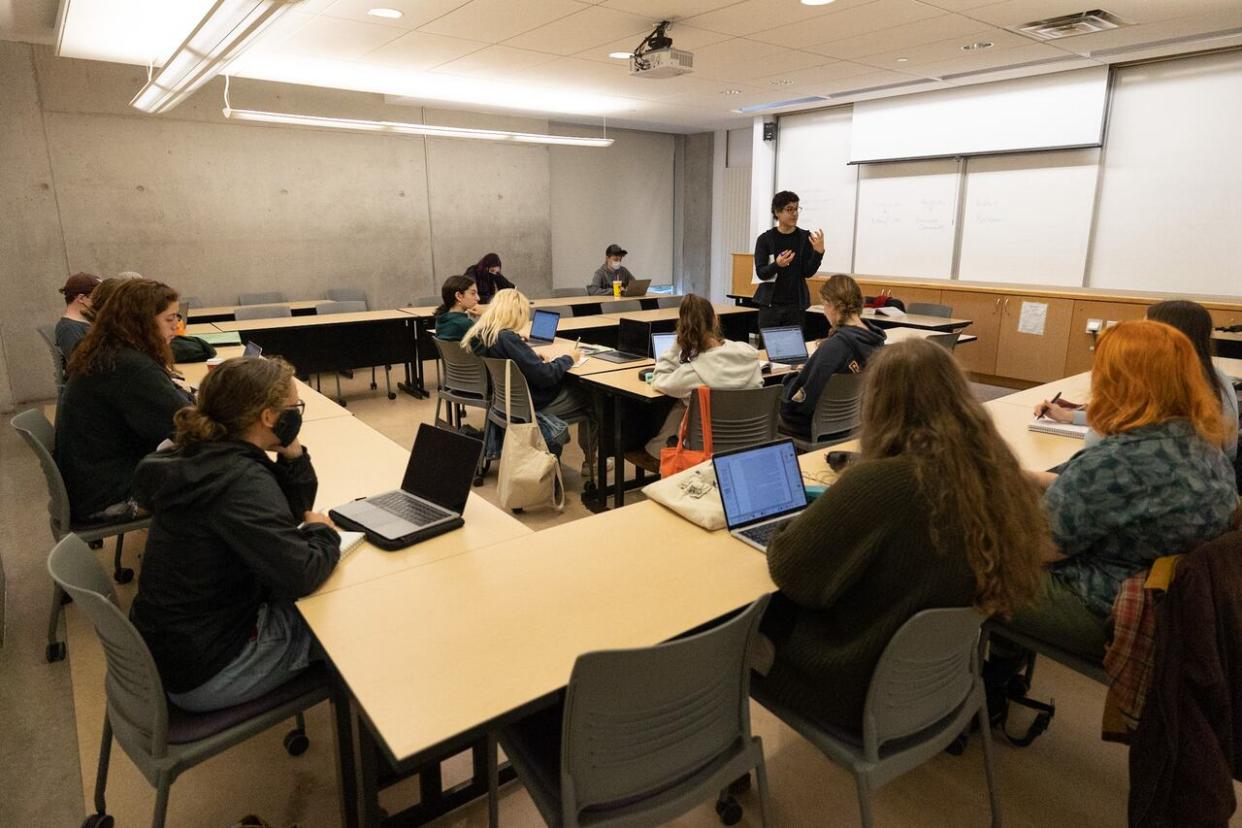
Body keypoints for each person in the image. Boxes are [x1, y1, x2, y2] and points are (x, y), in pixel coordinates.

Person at [754, 338, 1049, 731]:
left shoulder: (880, 482)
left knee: (733, 621)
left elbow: (792, 572)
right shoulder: (993, 472)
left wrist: (796, 520)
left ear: (879, 404)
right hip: (938, 685)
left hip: (849, 685)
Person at [1015, 320, 1237, 660]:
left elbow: (1036, 549)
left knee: (974, 563)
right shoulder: (1204, 446)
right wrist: (1028, 477)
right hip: (1174, 602)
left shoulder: (1113, 462)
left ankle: (985, 677)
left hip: (1105, 608)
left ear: (1119, 383)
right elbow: (1120, 501)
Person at [129, 356, 340, 712]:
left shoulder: (201, 456)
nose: (296, 415)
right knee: (347, 622)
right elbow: (301, 573)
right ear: (269, 417)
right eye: (293, 407)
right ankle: (383, 759)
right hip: (213, 669)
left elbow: (284, 517)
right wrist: (323, 533)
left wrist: (292, 454)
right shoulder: (238, 480)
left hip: (182, 648)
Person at [55, 279, 191, 523]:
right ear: (142, 322)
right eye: (169, 319)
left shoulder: (107, 352)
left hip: (91, 486)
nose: (176, 327)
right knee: (222, 478)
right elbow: (187, 425)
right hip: (110, 498)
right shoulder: (130, 366)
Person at [1033, 300, 1238, 460]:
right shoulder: (1219, 380)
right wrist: (1070, 417)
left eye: (1145, 326)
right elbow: (1134, 418)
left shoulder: (1156, 384)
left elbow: (1101, 445)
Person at [462, 288, 598, 481]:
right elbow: (546, 376)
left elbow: (517, 362)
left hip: (506, 404)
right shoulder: (507, 338)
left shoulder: (484, 334)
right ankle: (591, 462)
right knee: (593, 396)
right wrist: (569, 358)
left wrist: (531, 356)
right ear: (514, 312)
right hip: (534, 403)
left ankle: (590, 460)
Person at [639, 294, 764, 465]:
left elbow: (659, 379)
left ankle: (655, 452)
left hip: (708, 448)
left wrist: (677, 345)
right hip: (751, 440)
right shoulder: (749, 356)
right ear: (715, 320)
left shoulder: (693, 373)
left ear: (682, 330)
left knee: (682, 405)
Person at [779, 274, 886, 439]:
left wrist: (790, 379)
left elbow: (800, 403)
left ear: (831, 305)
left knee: (767, 410)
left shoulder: (834, 347)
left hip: (814, 427)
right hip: (853, 423)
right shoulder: (876, 342)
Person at [753, 190, 825, 333]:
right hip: (770, 305)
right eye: (789, 209)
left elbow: (808, 272)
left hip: (795, 306)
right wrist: (777, 265)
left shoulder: (805, 238)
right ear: (777, 212)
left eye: (796, 209)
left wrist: (818, 253)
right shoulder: (765, 239)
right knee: (769, 349)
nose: (794, 214)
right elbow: (761, 273)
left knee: (793, 350)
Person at [54, 272, 101, 358]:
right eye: (97, 297)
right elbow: (81, 365)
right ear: (81, 298)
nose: (100, 301)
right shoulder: (69, 329)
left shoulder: (88, 321)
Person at [433, 274, 481, 342]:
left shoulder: (441, 319)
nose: (478, 298)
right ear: (459, 296)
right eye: (473, 293)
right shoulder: (465, 324)